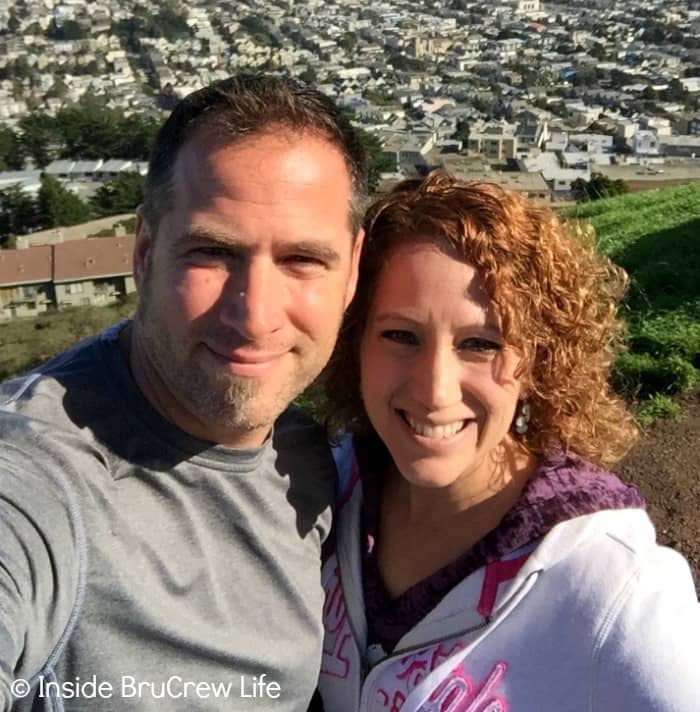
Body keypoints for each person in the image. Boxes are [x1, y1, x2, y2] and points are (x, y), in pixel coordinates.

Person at [0, 75, 367, 712]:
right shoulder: (40, 476)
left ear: (353, 272)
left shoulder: (311, 456)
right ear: (144, 251)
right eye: (213, 252)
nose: (255, 316)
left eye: (303, 260)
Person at [319, 171, 699, 712]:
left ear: (538, 363)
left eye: (480, 344)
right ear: (353, 342)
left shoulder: (620, 594)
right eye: (401, 335)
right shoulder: (320, 495)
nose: (434, 389)